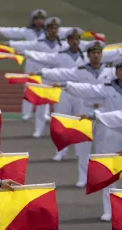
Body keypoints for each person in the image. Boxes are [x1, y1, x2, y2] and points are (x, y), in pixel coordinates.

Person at [37, 41, 116, 188]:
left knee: (101, 147)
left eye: (99, 53)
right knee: (83, 147)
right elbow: (63, 73)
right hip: (85, 110)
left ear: (102, 55)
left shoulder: (110, 72)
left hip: (104, 111)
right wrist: (44, 73)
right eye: (93, 53)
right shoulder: (80, 70)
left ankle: (98, 177)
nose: (96, 56)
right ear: (88, 55)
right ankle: (83, 177)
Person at [54, 59, 122, 222]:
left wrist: (95, 116)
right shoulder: (107, 88)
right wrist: (68, 86)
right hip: (111, 132)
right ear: (116, 71)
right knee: (109, 172)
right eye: (121, 69)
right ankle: (109, 209)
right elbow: (88, 89)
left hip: (110, 121)